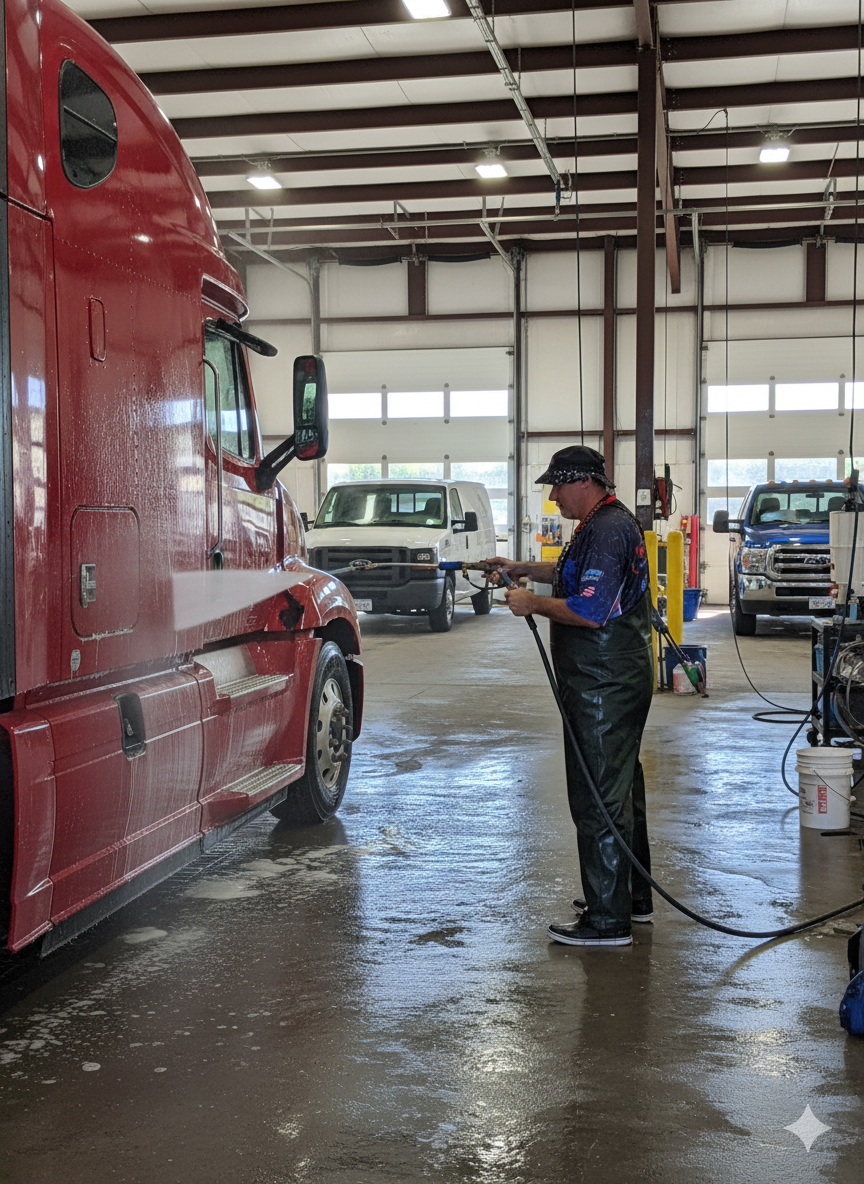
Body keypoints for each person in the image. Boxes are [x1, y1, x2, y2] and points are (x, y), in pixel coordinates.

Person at [488, 445, 654, 948]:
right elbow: (580, 576)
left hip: (603, 684)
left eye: (558, 486)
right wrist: (524, 568)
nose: (554, 496)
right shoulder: (607, 522)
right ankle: (630, 899)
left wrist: (529, 603)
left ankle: (608, 922)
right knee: (622, 788)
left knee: (598, 795)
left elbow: (590, 609)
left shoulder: (605, 531)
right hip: (613, 677)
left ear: (584, 482)